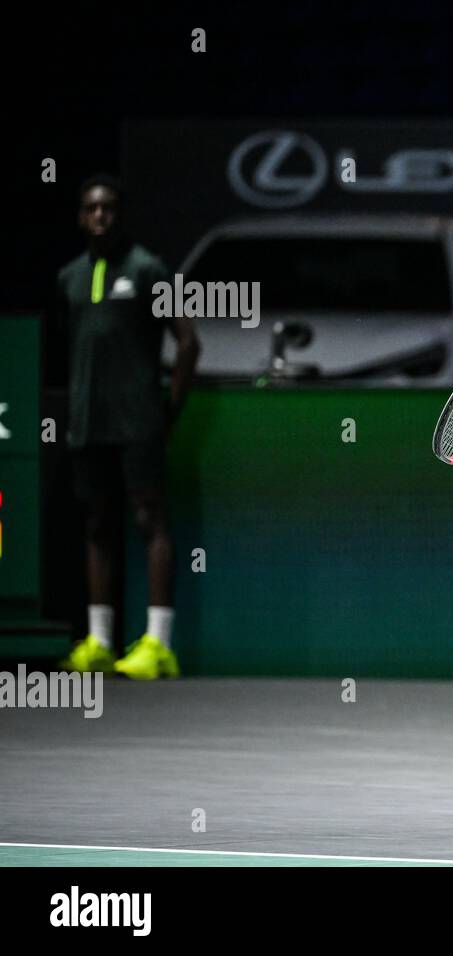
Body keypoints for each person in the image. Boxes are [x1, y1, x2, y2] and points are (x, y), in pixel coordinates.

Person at [53, 175, 200, 680]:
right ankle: (99, 640)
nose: (101, 217)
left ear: (122, 215)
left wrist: (169, 411)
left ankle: (158, 645)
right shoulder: (69, 277)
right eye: (92, 209)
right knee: (96, 525)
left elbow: (187, 342)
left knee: (149, 521)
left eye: (110, 209)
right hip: (87, 423)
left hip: (139, 420)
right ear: (80, 216)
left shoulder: (149, 269)